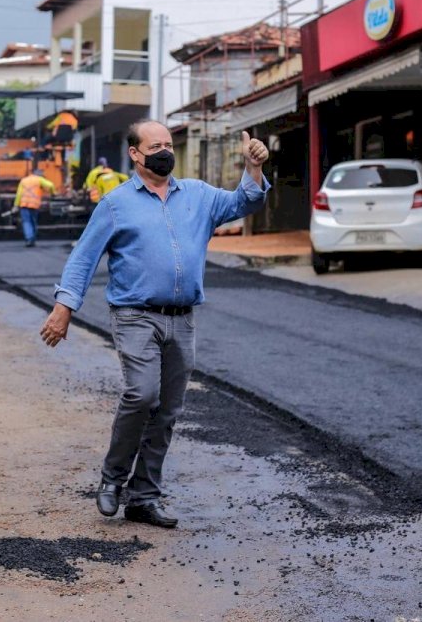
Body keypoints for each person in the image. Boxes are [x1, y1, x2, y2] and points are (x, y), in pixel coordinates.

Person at [40, 120, 269, 528]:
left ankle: (143, 497)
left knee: (167, 410)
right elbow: (83, 258)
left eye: (168, 144)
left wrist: (253, 169)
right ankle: (113, 480)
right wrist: (64, 307)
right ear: (135, 154)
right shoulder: (115, 204)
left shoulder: (198, 195)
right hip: (135, 315)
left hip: (182, 319)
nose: (165, 151)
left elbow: (244, 203)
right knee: (142, 395)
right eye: (155, 145)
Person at [13, 168, 55, 247]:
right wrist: (53, 193)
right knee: (33, 222)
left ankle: (29, 238)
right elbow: (51, 185)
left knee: (26, 222)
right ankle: (32, 239)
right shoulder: (39, 180)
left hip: (24, 204)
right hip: (34, 205)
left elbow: (19, 194)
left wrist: (16, 205)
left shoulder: (24, 180)